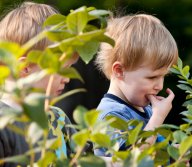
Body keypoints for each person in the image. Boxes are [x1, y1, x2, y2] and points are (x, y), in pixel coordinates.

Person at [0, 2, 78, 166]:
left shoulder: (59, 118)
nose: (67, 78)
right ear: (25, 67)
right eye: (61, 69)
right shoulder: (4, 124)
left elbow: (80, 161)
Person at [94, 14, 178, 157]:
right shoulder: (110, 115)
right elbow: (130, 160)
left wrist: (174, 156)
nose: (160, 86)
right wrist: (157, 119)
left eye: (163, 76)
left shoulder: (148, 111)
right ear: (119, 71)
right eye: (152, 77)